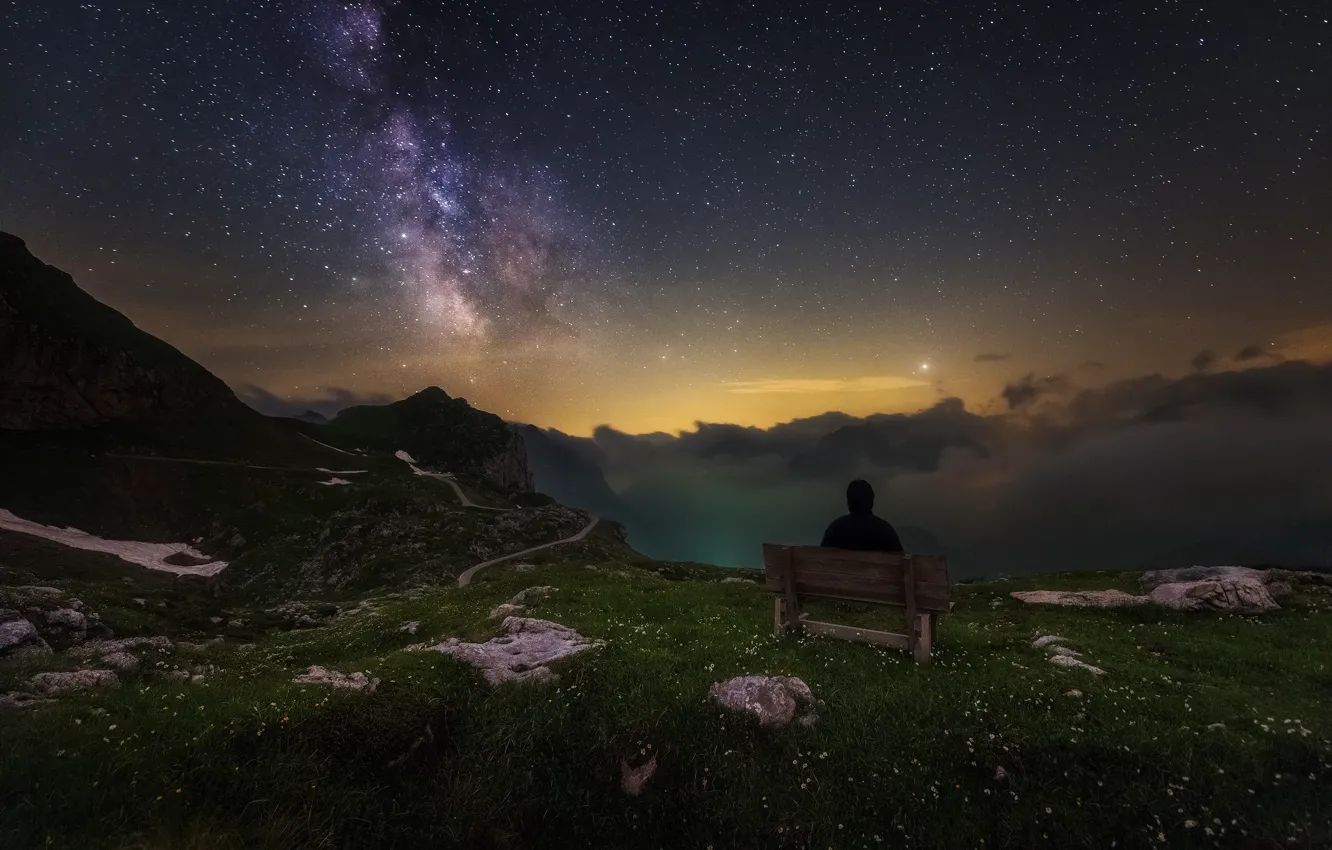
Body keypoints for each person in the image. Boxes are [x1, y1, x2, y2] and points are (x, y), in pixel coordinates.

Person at [820, 479, 904, 553]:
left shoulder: (835, 529)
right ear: (871, 502)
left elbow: (822, 556)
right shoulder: (886, 530)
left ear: (849, 502)